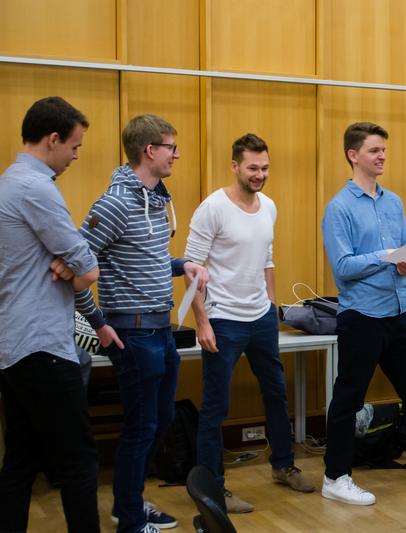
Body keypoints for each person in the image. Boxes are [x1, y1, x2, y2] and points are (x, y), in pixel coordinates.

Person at [75, 115, 208, 533]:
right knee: (141, 426)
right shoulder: (114, 203)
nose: (177, 154)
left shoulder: (155, 199)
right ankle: (130, 521)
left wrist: (181, 263)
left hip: (161, 329)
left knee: (162, 419)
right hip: (131, 331)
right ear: (150, 151)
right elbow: (75, 265)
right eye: (171, 146)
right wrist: (96, 322)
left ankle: (127, 503)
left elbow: (146, 259)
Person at [321, 121, 406, 505]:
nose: (382, 156)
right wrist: (385, 258)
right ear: (353, 155)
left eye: (383, 150)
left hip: (400, 311)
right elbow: (343, 266)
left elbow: (401, 251)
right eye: (374, 150)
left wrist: (404, 262)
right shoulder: (339, 208)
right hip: (362, 315)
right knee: (348, 398)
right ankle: (335, 477)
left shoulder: (394, 202)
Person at [184, 133, 315, 513]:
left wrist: (272, 308)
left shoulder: (269, 206)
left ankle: (283, 466)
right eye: (253, 167)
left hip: (260, 318)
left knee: (276, 393)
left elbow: (267, 260)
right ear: (235, 166)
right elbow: (192, 270)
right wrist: (202, 323)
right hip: (223, 320)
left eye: (265, 167)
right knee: (216, 406)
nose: (260, 174)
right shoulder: (213, 208)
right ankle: (213, 488)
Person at [0, 96, 100, 533]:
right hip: (43, 346)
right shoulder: (37, 188)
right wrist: (76, 269)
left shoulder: (8, 182)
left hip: (14, 345)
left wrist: (72, 266)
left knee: (20, 460)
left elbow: (75, 263)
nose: (76, 156)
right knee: (78, 462)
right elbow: (88, 267)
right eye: (74, 147)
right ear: (53, 139)